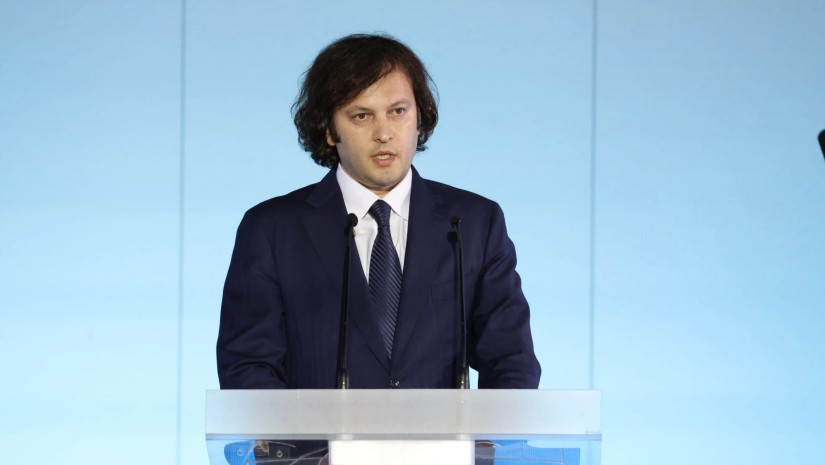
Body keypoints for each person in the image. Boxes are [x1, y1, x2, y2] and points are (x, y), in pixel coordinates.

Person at [217, 33, 540, 390]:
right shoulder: (272, 231)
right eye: (362, 116)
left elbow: (512, 362)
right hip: (317, 430)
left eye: (398, 112)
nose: (384, 133)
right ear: (329, 129)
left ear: (419, 117)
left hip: (441, 430)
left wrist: (484, 429)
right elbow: (248, 368)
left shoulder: (473, 224)